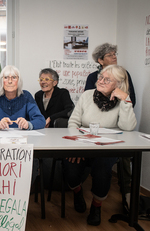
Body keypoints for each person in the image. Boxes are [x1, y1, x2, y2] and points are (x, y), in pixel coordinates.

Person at [64, 65, 136, 226]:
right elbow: (73, 122)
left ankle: (96, 206)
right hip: (82, 144)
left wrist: (126, 101)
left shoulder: (122, 100)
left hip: (106, 147)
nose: (101, 81)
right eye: (101, 77)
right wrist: (77, 145)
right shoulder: (87, 95)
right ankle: (77, 192)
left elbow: (128, 127)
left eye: (107, 79)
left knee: (103, 169)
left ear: (118, 84)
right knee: (70, 166)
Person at [84, 42, 135, 204]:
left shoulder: (123, 74)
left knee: (125, 152)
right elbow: (87, 102)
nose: (114, 57)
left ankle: (127, 192)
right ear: (100, 60)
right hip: (95, 129)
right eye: (110, 55)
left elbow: (130, 99)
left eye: (115, 54)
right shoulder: (92, 78)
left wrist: (124, 106)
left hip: (119, 127)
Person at [0, 65, 46, 130]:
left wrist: (28, 124)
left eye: (14, 77)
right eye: (6, 77)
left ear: (19, 80)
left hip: (23, 138)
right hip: (1, 138)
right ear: (1, 81)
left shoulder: (26, 96)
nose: (10, 81)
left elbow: (41, 121)